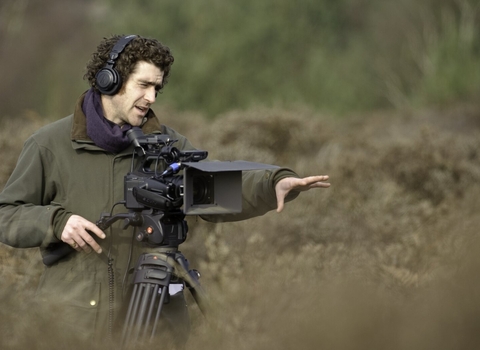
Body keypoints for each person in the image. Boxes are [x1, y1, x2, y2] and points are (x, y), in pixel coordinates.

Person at [0, 34, 330, 347]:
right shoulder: (50, 145)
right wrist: (57, 222)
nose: (152, 98)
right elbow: (7, 213)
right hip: (74, 324)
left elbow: (213, 187)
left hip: (155, 324)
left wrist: (273, 182)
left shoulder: (164, 145)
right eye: (143, 85)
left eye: (157, 88)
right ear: (109, 79)